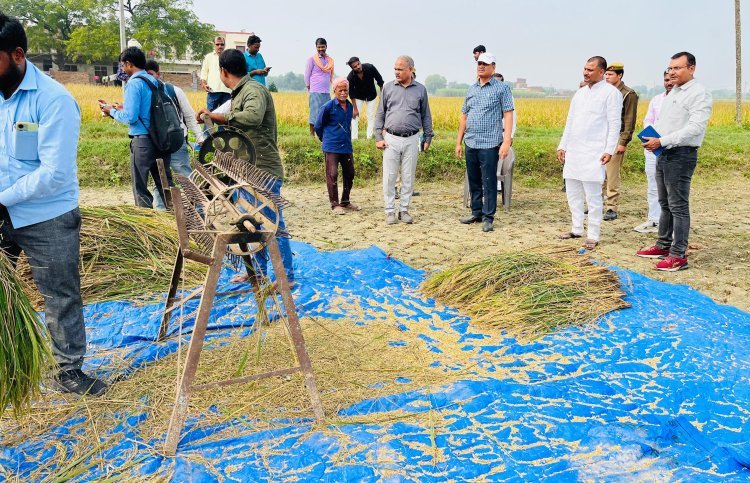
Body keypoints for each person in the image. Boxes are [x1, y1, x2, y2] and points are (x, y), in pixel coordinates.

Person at [0, 12, 106, 396]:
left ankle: (68, 371)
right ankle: (10, 361)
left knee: (59, 293)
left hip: (47, 214)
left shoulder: (53, 100)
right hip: (2, 211)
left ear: (16, 55)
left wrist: (2, 199)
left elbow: (54, 174)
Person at [195, 49, 294, 286]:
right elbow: (228, 113)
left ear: (223, 71)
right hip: (246, 169)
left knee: (272, 224)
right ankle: (258, 273)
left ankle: (286, 277)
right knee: (253, 222)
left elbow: (252, 117)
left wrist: (219, 118)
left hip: (263, 169)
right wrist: (210, 116)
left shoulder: (253, 91)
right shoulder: (240, 93)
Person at [638, 52, 712, 271]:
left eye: (677, 68)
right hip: (664, 152)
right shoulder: (673, 92)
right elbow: (666, 122)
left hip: (681, 154)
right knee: (665, 203)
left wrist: (662, 140)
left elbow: (695, 128)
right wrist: (654, 138)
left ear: (691, 69)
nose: (672, 72)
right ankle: (663, 244)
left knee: (678, 206)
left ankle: (678, 255)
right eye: (670, 68)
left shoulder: (699, 93)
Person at [557, 56, 622, 251]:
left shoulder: (611, 93)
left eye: (590, 70)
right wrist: (562, 145)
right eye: (584, 69)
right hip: (574, 150)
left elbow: (614, 124)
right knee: (573, 192)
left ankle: (593, 234)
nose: (586, 72)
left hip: (595, 151)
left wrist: (609, 150)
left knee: (593, 196)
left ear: (601, 72)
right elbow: (570, 122)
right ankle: (576, 228)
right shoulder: (580, 94)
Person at [101, 47, 173, 208]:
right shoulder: (154, 81)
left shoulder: (134, 83)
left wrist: (111, 111)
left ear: (128, 64)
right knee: (165, 185)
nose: (122, 69)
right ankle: (178, 222)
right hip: (160, 140)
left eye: (122, 65)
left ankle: (146, 224)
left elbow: (130, 117)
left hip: (143, 143)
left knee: (140, 188)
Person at [455, 53, 514, 233]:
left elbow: (508, 114)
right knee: (474, 180)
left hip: (490, 143)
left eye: (485, 64)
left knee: (489, 181)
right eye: (479, 63)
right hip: (471, 141)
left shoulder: (502, 89)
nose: (481, 66)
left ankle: (488, 217)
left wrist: (506, 141)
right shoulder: (471, 89)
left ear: (493, 67)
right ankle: (476, 212)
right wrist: (459, 142)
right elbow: (464, 116)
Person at [375, 55, 433, 225]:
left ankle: (404, 210)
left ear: (410, 70)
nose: (397, 72)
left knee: (408, 176)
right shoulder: (388, 88)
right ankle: (389, 210)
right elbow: (380, 113)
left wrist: (428, 136)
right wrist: (378, 136)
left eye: (400, 69)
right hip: (391, 138)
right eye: (395, 69)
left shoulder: (421, 90)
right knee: (390, 176)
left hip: (412, 138)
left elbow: (425, 115)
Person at [143, 60, 205, 209]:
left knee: (185, 177)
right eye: (145, 76)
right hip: (155, 144)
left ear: (158, 74)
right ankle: (163, 215)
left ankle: (200, 211)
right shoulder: (143, 94)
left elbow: (189, 116)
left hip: (177, 143)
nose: (149, 79)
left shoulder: (173, 91)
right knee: (159, 180)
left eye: (151, 75)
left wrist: (200, 138)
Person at [634, 71, 673, 233]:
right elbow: (648, 120)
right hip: (652, 149)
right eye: (666, 79)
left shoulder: (682, 101)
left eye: (671, 79)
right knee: (653, 185)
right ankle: (654, 220)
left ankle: (670, 222)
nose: (669, 82)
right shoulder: (657, 99)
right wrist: (650, 139)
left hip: (671, 147)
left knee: (670, 187)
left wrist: (663, 140)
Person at [314, 78, 360, 214]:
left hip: (346, 146)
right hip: (331, 147)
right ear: (334, 91)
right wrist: (325, 139)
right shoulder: (328, 107)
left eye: (346, 90)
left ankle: (345, 202)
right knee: (332, 174)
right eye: (341, 90)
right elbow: (318, 126)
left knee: (350, 173)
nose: (344, 93)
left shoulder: (350, 106)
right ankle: (335, 204)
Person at [602, 62, 638, 221]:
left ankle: (611, 207)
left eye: (610, 74)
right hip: (602, 135)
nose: (607, 77)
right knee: (599, 171)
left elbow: (629, 120)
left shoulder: (627, 94)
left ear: (620, 75)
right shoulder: (604, 92)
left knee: (612, 173)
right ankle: (597, 202)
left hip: (617, 136)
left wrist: (623, 142)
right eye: (606, 74)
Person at [346, 56, 384, 140]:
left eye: (358, 64)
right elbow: (351, 93)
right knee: (354, 116)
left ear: (360, 62)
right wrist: (355, 109)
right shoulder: (350, 77)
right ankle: (354, 138)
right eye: (355, 66)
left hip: (371, 95)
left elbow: (380, 81)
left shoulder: (370, 67)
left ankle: (369, 137)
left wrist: (382, 96)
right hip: (358, 96)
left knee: (370, 116)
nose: (358, 67)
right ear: (352, 68)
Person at [304, 38, 333, 136]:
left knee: (326, 113)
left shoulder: (329, 60)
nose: (321, 49)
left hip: (326, 91)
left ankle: (323, 134)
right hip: (315, 90)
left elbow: (330, 74)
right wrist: (309, 87)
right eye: (319, 47)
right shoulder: (311, 60)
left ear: (326, 47)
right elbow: (307, 75)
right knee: (314, 113)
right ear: (316, 47)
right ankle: (312, 135)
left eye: (323, 47)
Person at [200, 36, 232, 111]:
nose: (220, 46)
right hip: (212, 90)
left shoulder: (229, 57)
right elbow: (204, 71)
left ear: (225, 45)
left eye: (222, 44)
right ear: (214, 45)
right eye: (217, 44)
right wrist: (204, 84)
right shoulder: (208, 57)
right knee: (209, 116)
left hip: (227, 91)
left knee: (225, 117)